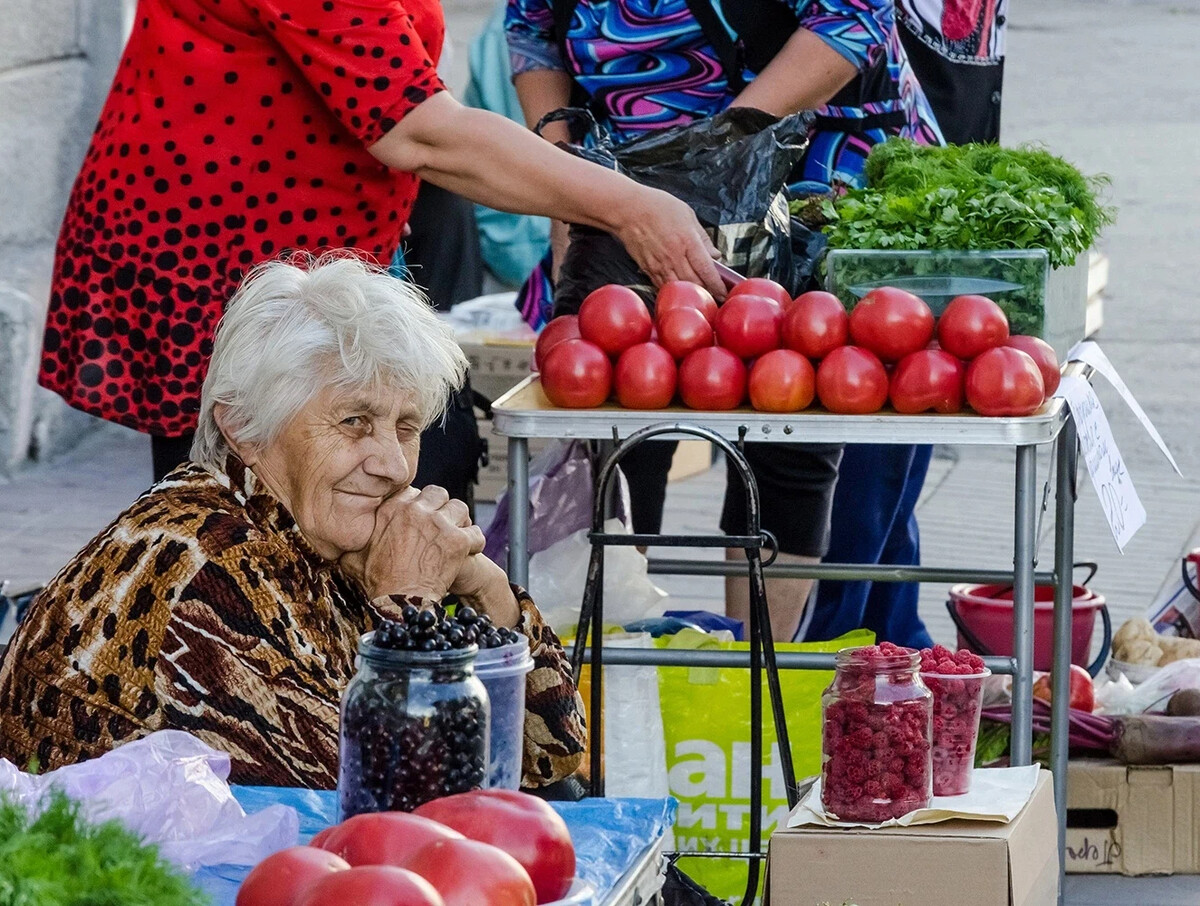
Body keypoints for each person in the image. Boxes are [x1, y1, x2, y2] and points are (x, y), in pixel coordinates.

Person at [40, 0, 726, 484]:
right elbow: (415, 129)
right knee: (249, 504)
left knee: (390, 462)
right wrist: (629, 205)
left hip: (307, 239)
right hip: (222, 246)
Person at [0, 255, 585, 790]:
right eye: (354, 421)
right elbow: (392, 797)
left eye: (405, 428)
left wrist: (489, 593)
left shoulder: (324, 536)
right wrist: (409, 605)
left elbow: (549, 755)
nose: (391, 465)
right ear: (247, 429)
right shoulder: (206, 570)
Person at [505, 0, 943, 643]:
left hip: (799, 168)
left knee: (789, 422)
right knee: (618, 425)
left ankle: (753, 692)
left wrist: (716, 155)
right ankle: (615, 691)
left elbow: (854, 19)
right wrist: (563, 176)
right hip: (621, 183)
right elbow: (532, 28)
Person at [804, 0, 1007, 650]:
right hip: (855, 175)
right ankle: (849, 642)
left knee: (907, 433)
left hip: (940, 176)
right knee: (867, 434)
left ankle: (887, 634)